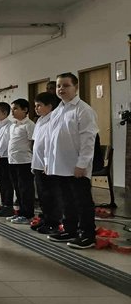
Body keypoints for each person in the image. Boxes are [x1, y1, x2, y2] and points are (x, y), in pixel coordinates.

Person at [46, 73, 99, 249]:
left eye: (66, 85)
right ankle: (70, 229)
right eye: (59, 86)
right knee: (65, 200)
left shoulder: (83, 110)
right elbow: (50, 139)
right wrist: (48, 161)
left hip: (76, 166)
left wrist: (82, 164)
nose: (61, 89)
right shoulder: (57, 111)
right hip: (59, 164)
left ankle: (87, 235)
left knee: (82, 201)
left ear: (75, 87)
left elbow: (88, 140)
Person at [31, 92, 62, 234]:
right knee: (42, 195)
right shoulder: (39, 120)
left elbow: (52, 144)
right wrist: (34, 164)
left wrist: (47, 162)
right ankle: (45, 218)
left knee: (50, 195)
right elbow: (36, 143)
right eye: (35, 106)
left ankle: (53, 223)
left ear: (49, 106)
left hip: (48, 164)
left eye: (39, 105)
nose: (36, 108)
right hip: (38, 163)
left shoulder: (54, 120)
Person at [6, 99, 36, 225]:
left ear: (25, 110)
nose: (12, 111)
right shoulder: (13, 125)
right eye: (12, 109)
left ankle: (28, 215)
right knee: (17, 188)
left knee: (26, 189)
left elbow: (33, 143)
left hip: (25, 161)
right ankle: (21, 212)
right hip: (13, 161)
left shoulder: (29, 125)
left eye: (15, 109)